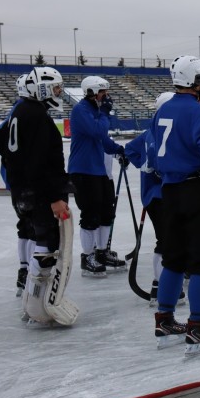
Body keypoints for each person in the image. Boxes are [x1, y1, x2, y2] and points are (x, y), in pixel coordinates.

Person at [150, 55, 200, 354]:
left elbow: (154, 152)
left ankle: (165, 319)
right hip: (197, 190)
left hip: (169, 190)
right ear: (196, 81)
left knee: (174, 258)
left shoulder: (163, 110)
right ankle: (198, 326)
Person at [1, 66, 74, 325]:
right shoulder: (37, 116)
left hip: (22, 189)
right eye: (55, 88)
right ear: (41, 88)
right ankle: (34, 305)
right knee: (45, 245)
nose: (58, 93)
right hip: (38, 192)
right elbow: (42, 162)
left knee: (35, 236)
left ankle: (31, 303)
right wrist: (55, 196)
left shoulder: (20, 110)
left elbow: (3, 145)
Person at [125, 91, 185, 306]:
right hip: (160, 196)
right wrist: (149, 170)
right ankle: (160, 286)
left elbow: (130, 150)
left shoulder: (151, 131)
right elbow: (147, 155)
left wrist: (144, 169)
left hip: (158, 195)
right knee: (167, 241)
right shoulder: (156, 134)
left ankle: (161, 284)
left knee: (170, 240)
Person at [68, 76, 127, 276]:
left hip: (99, 170)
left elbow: (103, 139)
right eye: (103, 92)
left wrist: (118, 149)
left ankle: (102, 252)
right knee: (91, 214)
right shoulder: (81, 110)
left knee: (106, 213)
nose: (106, 96)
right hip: (84, 169)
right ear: (91, 92)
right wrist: (104, 113)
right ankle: (87, 256)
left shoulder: (95, 111)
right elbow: (96, 131)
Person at [0, 73, 36, 296]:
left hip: (15, 179)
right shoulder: (23, 113)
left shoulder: (15, 113)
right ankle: (28, 270)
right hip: (23, 180)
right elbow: (0, 144)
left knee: (25, 225)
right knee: (32, 226)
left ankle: (24, 269)